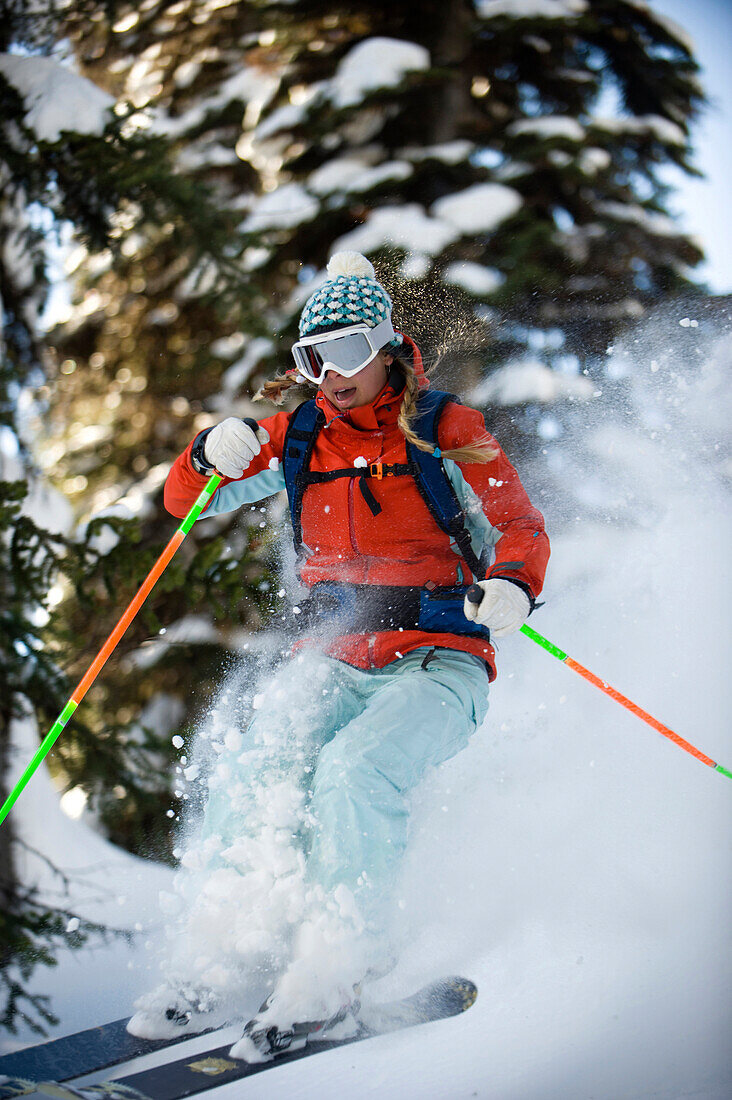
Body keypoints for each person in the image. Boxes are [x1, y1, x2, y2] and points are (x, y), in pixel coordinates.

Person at [128, 251, 549, 1058]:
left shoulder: (445, 428)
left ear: (388, 346)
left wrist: (513, 585)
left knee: (354, 772)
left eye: (348, 351)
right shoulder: (298, 438)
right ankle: (217, 963)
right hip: (336, 653)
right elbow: (189, 502)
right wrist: (204, 455)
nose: (330, 373)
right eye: (311, 358)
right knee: (261, 762)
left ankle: (333, 977)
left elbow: (520, 525)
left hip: (439, 659)